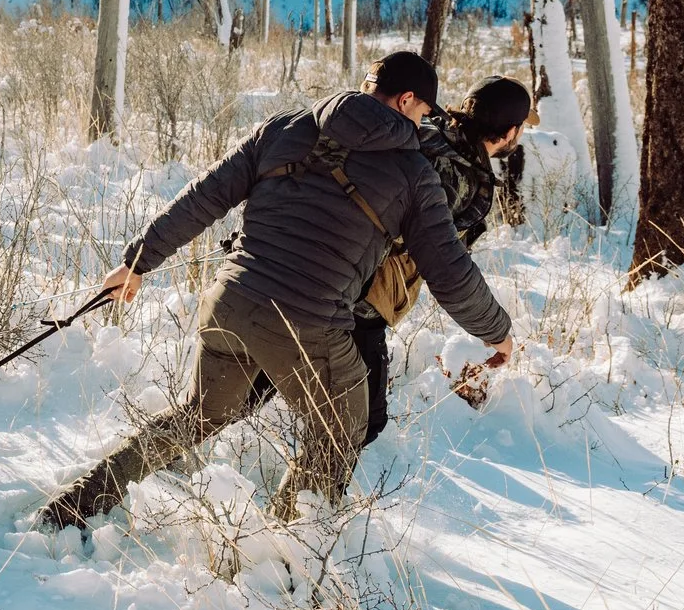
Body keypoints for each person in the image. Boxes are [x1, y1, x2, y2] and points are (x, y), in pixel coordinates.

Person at [36, 51, 515, 531]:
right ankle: (290, 554)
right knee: (345, 426)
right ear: (407, 99)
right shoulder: (414, 174)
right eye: (424, 112)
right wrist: (497, 332)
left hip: (229, 303)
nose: (425, 124)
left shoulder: (286, 125)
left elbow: (206, 196)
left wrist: (138, 262)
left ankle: (74, 505)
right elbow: (450, 273)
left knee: (197, 417)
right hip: (308, 327)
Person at [350, 74, 531, 447]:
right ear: (510, 132)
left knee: (246, 387)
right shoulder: (460, 175)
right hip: (356, 301)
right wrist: (496, 333)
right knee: (362, 422)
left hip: (308, 268)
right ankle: (308, 504)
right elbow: (446, 267)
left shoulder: (422, 129)